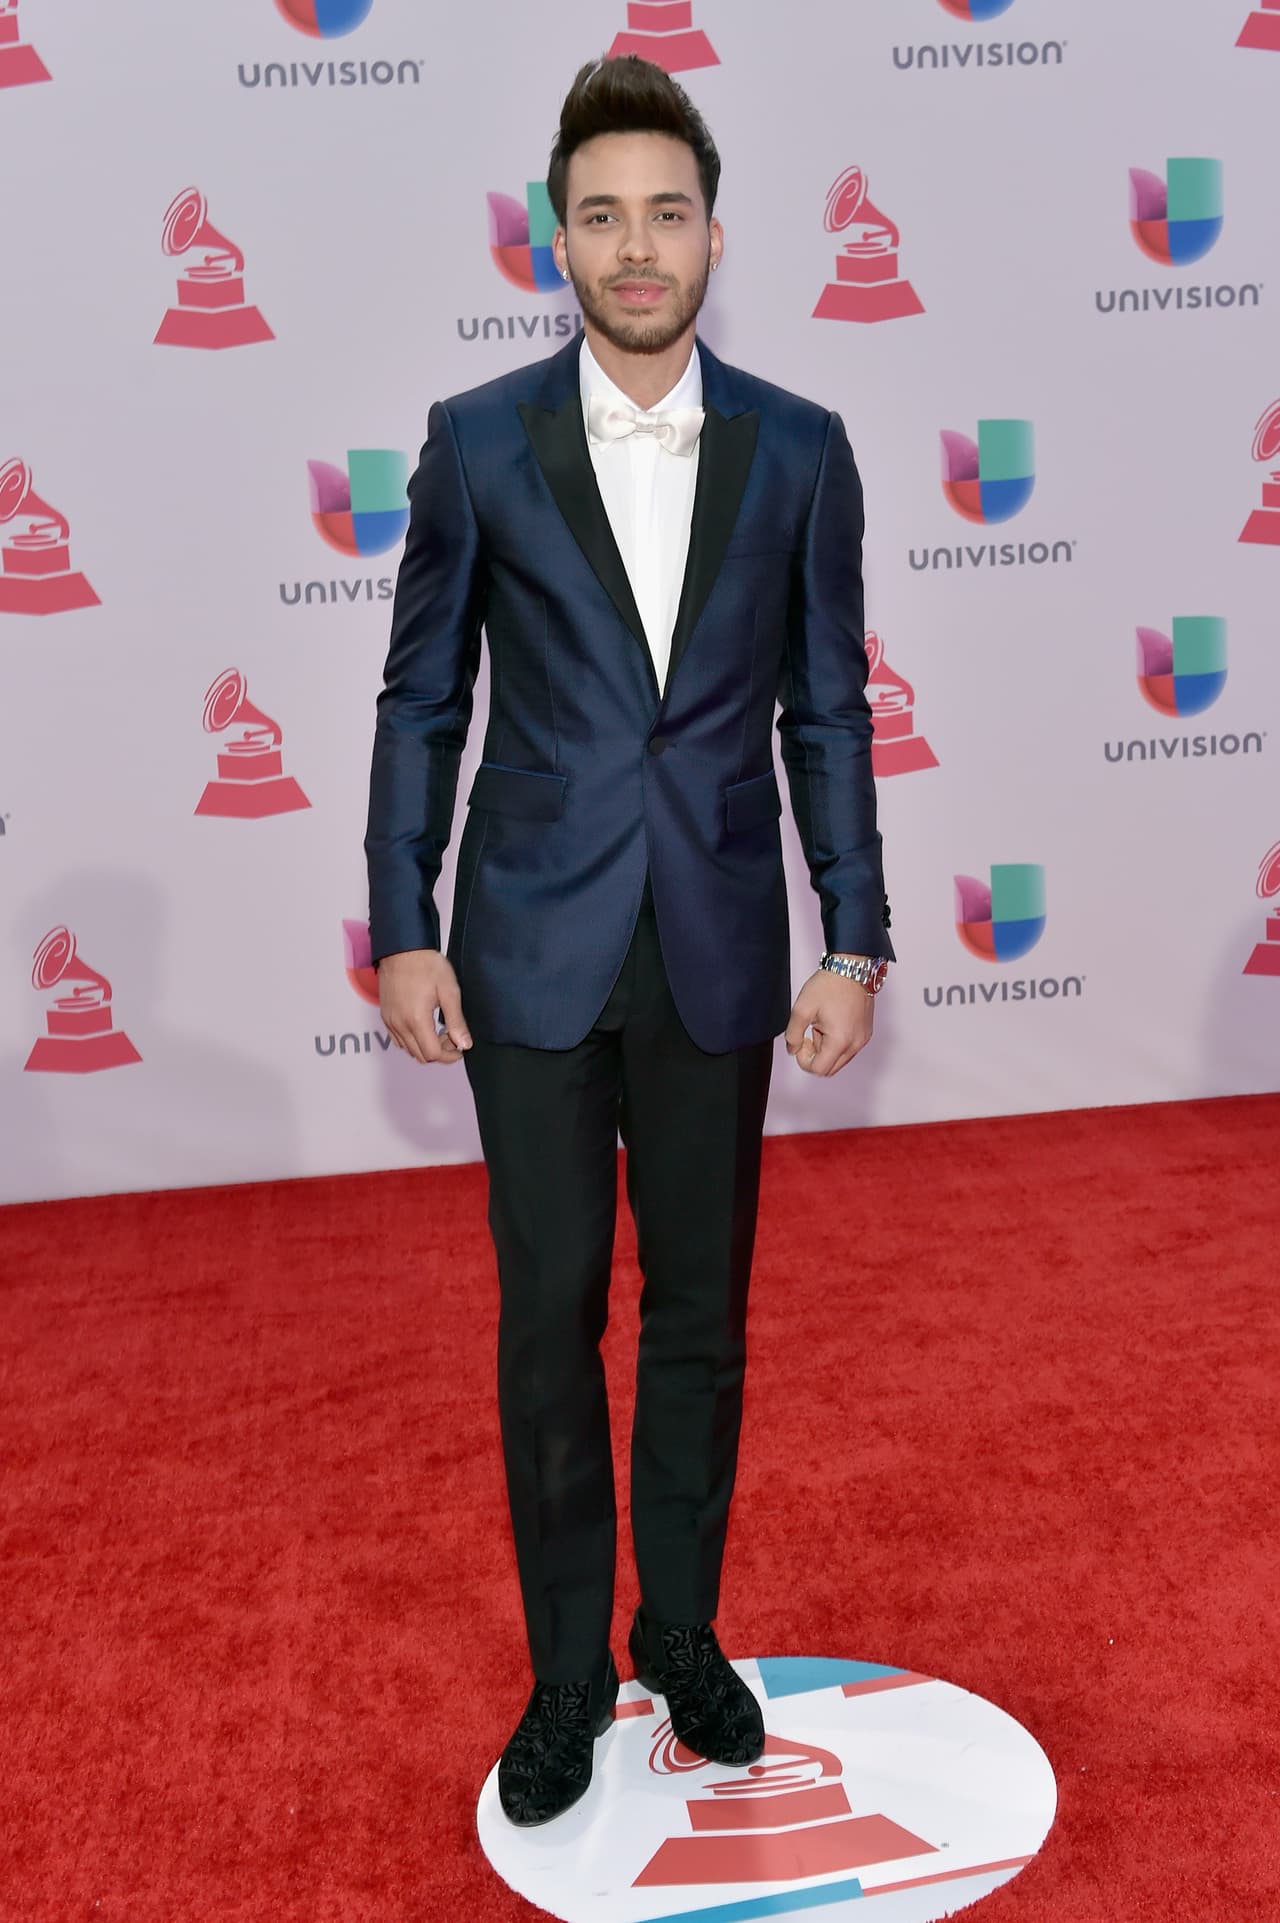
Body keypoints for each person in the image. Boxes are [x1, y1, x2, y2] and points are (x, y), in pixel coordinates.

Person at [364, 54, 893, 1828]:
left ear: (715, 237)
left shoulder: (802, 449)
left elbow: (830, 711)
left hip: (722, 944)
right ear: (557, 242)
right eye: (603, 213)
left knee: (705, 1315)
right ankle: (565, 1674)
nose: (637, 243)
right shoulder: (474, 441)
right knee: (548, 1318)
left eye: (667, 211)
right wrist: (400, 923)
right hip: (521, 945)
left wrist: (854, 938)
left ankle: (680, 1631)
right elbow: (421, 698)